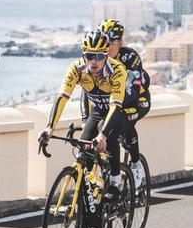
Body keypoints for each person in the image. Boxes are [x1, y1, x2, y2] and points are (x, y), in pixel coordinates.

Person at [41, 29, 128, 201]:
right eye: (89, 56)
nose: (94, 62)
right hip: (96, 111)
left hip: (116, 112)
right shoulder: (76, 68)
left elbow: (115, 106)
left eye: (99, 57)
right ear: (83, 55)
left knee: (106, 134)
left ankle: (116, 180)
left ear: (106, 55)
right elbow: (62, 98)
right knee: (84, 142)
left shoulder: (117, 70)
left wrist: (102, 135)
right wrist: (50, 127)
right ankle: (91, 187)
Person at [98, 18, 151, 189]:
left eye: (112, 42)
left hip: (138, 101)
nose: (107, 47)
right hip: (116, 102)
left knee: (122, 122)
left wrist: (115, 104)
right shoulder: (98, 59)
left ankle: (135, 164)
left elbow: (133, 94)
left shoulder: (130, 57)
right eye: (104, 41)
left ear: (120, 42)